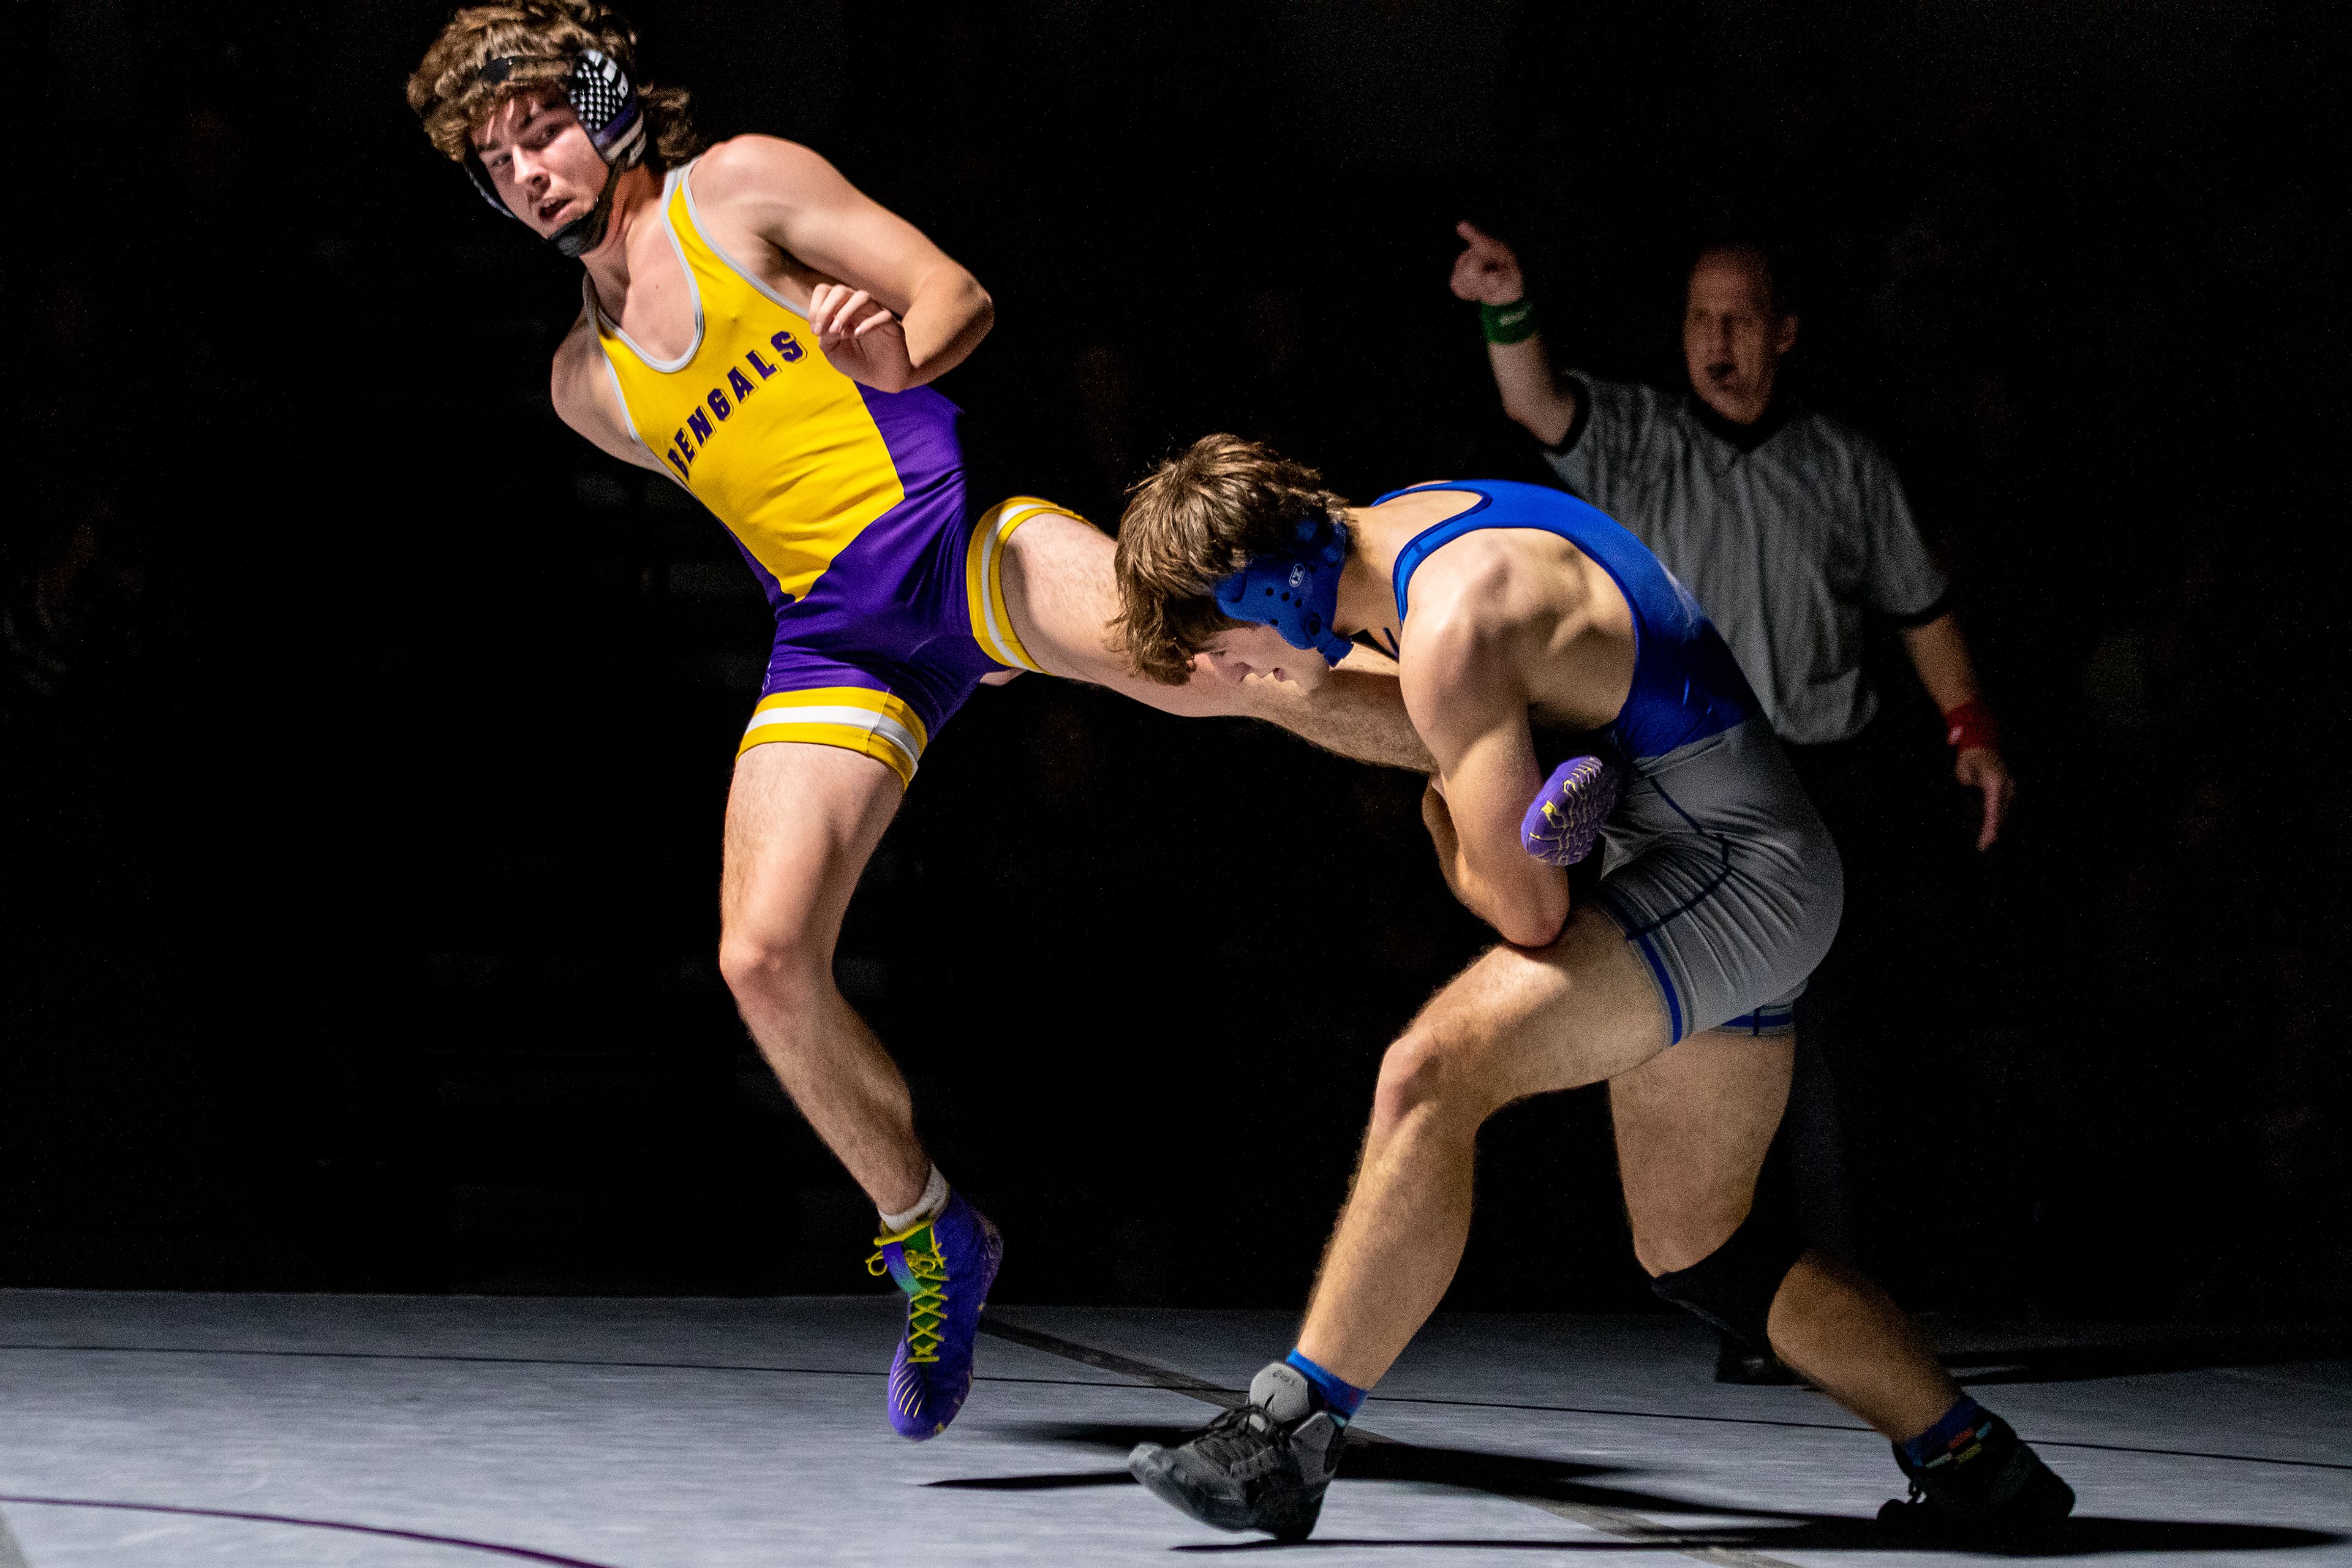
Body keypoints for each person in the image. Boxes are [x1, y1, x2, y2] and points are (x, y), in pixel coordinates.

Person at [404, 2, 1427, 1443]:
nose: (526, 172)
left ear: (609, 104)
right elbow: (763, 498)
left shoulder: (744, 186)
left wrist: (895, 355)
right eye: (494, 159)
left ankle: (1506, 753)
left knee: (1221, 670)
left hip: (956, 549)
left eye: (544, 127)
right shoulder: (585, 387)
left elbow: (958, 298)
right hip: (836, 638)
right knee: (760, 957)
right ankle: (930, 1228)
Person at [1110, 436, 2072, 1545]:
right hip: (1738, 861)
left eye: (1228, 651)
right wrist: (1344, 717)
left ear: (1269, 583)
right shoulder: (1424, 520)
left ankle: (1289, 1434)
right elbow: (1434, 713)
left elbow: (1530, 914)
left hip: (1728, 877)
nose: (1234, 674)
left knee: (1431, 1071)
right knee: (1697, 1244)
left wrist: (1439, 818)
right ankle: (1978, 1464)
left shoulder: (1450, 632)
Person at [1452, 224, 2016, 1375]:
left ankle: (1819, 1314)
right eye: (1701, 318)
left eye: (1740, 319)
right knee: (1678, 1035)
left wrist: (1970, 731)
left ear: (1785, 334)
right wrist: (1507, 307)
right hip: (1674, 795)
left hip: (1822, 788)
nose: (1717, 339)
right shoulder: (1645, 442)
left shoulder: (1846, 465)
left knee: (1818, 1059)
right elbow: (1535, 406)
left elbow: (1923, 610)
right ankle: (1737, 1300)